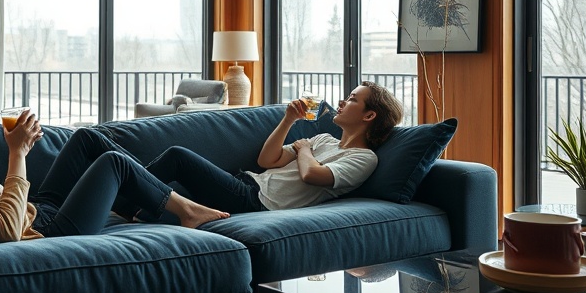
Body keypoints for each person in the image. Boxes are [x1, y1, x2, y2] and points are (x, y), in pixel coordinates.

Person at [0, 69, 229, 243]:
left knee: (87, 139)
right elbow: (6, 230)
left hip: (37, 212)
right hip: (45, 231)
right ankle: (186, 210)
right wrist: (17, 153)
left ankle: (146, 203)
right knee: (114, 164)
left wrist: (20, 152)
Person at [126, 81, 405, 216]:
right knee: (170, 192)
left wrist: (304, 149)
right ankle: (127, 205)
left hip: (256, 201)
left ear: (369, 116)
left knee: (178, 158)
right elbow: (268, 159)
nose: (342, 103)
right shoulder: (324, 140)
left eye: (352, 100)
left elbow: (313, 176)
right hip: (245, 182)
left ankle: (119, 203)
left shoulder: (363, 158)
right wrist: (288, 120)